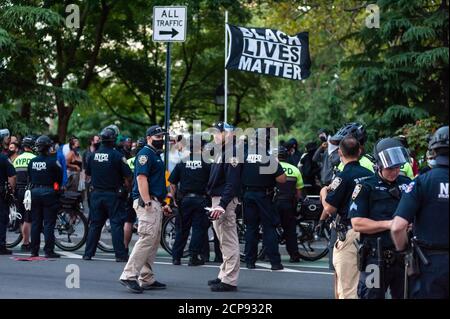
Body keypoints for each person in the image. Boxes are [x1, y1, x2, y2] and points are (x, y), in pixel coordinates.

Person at [348, 137, 412, 299]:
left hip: (403, 258)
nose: (395, 171)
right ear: (379, 165)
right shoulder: (365, 186)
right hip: (375, 260)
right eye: (390, 168)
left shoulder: (407, 183)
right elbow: (357, 223)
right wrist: (391, 224)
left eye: (398, 167)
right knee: (371, 296)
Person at [391, 126, 449, 299]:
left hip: (429, 264)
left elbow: (397, 227)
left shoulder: (421, 183)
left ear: (433, 151)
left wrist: (402, 250)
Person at [317, 136, 373, 299]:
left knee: (347, 286)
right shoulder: (369, 174)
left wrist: (323, 193)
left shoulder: (342, 176)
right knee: (367, 285)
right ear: (360, 151)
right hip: (368, 233)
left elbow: (329, 207)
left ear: (340, 152)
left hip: (348, 233)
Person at [119, 125, 172, 294]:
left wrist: (163, 202)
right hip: (147, 203)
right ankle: (129, 275)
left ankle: (146, 278)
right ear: (149, 138)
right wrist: (148, 201)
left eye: (162, 137)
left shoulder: (155, 155)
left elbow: (156, 181)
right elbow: (142, 179)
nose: (161, 140)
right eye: (158, 137)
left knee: (152, 241)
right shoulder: (145, 154)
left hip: (155, 202)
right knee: (146, 239)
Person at [83, 127, 132, 262]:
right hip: (113, 195)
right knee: (116, 224)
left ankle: (88, 254)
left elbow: (87, 176)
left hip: (96, 195)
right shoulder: (117, 156)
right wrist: (127, 190)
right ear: (114, 139)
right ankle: (120, 255)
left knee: (95, 225)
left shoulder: (92, 155)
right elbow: (128, 177)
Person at [241, 132, 286, 270]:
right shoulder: (268, 158)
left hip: (248, 195)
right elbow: (282, 179)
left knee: (251, 229)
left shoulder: (244, 157)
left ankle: (250, 261)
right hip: (264, 196)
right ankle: (275, 262)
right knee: (269, 228)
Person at [206, 122, 242, 292]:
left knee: (228, 240)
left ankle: (229, 279)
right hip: (219, 199)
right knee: (223, 240)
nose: (215, 136)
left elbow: (232, 183)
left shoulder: (232, 152)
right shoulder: (223, 151)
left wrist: (221, 204)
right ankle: (224, 274)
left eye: (218, 132)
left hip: (224, 201)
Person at [169, 134, 211, 266]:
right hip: (201, 199)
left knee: (182, 228)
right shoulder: (207, 163)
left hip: (185, 200)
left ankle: (176, 257)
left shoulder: (182, 161)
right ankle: (193, 257)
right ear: (202, 147)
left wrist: (174, 198)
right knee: (198, 228)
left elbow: (173, 182)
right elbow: (212, 182)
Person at [28, 135, 63, 258]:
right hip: (49, 193)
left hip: (35, 192)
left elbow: (30, 177)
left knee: (36, 222)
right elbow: (59, 177)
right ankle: (49, 251)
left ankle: (34, 251)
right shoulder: (53, 161)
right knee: (48, 223)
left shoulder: (32, 162)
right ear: (48, 147)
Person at [274, 145, 303, 263]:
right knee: (290, 231)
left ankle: (268, 254)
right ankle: (294, 255)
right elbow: (299, 192)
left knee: (270, 229)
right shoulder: (295, 169)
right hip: (289, 204)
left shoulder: (271, 168)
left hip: (274, 203)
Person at [12, 136, 36, 251]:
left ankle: (24, 240)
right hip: (29, 191)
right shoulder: (34, 158)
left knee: (21, 217)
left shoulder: (17, 159)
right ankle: (26, 243)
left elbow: (13, 176)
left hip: (18, 191)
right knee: (28, 218)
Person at [124, 137, 145, 251]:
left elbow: (125, 177)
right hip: (143, 194)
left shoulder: (129, 161)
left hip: (130, 193)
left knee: (128, 221)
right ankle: (142, 249)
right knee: (144, 221)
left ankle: (125, 247)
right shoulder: (146, 159)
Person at [0, 144, 16, 255]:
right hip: (1, 193)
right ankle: (1, 246)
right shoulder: (3, 158)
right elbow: (12, 176)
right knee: (2, 219)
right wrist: (11, 190)